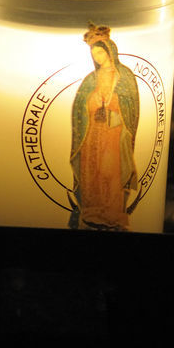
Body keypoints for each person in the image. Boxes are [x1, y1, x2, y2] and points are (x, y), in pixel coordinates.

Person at [69, 23, 140, 230]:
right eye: (94, 54)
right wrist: (92, 99)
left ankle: (112, 213)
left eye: (101, 52)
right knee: (93, 172)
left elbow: (130, 104)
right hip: (92, 134)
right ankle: (92, 210)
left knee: (111, 170)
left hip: (115, 132)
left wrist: (112, 103)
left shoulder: (124, 76)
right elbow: (80, 106)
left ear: (110, 51)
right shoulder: (91, 79)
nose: (98, 57)